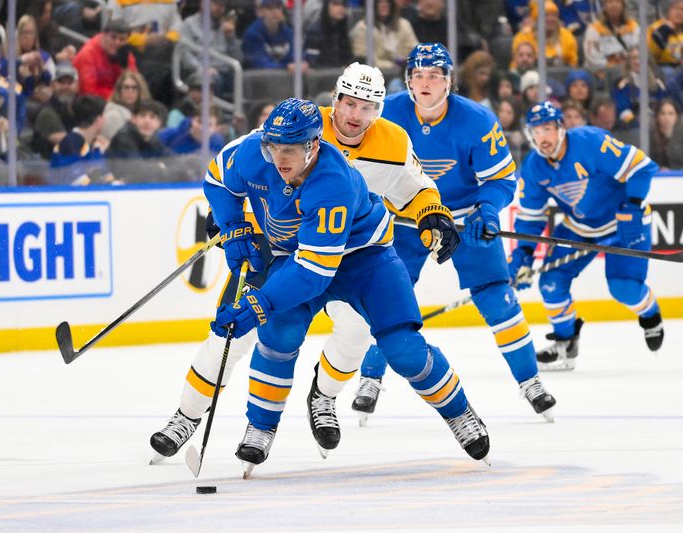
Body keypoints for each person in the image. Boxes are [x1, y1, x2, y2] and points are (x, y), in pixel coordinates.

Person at [148, 62, 465, 459]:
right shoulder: (291, 129)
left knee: (353, 334)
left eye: (367, 107)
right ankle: (185, 417)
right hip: (281, 253)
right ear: (334, 100)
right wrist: (232, 221)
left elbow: (416, 190)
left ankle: (323, 397)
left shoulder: (392, 145)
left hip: (352, 256)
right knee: (231, 333)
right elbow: (228, 177)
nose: (355, 116)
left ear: (380, 110)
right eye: (349, 103)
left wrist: (432, 211)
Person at [204, 98, 490, 476]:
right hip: (300, 256)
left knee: (404, 349)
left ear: (313, 146)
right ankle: (260, 425)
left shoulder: (332, 182)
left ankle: (460, 414)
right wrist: (232, 225)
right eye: (274, 147)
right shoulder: (254, 153)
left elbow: (315, 272)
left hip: (363, 258)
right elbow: (217, 179)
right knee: (278, 337)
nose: (279, 158)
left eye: (289, 149)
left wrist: (258, 304)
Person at [351, 43, 556, 423]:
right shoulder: (385, 114)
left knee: (497, 297)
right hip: (405, 218)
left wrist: (488, 209)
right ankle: (370, 377)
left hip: (462, 219)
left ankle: (530, 381)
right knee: (386, 299)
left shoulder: (477, 120)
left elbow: (499, 178)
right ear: (408, 81)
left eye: (434, 76)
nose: (425, 82)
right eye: (418, 75)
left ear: (449, 82)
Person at [510, 101, 664, 372]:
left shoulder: (591, 142)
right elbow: (531, 217)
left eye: (547, 129)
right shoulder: (534, 167)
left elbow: (642, 167)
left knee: (624, 288)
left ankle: (650, 315)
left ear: (561, 128)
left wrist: (632, 206)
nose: (542, 137)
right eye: (536, 131)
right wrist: (522, 255)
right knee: (550, 282)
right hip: (580, 227)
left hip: (623, 222)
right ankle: (566, 342)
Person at [49, 94, 114, 185]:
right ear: (99, 120)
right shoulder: (71, 142)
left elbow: (103, 177)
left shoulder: (93, 145)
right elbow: (75, 181)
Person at [72, 18, 137, 101]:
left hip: (118, 99)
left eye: (122, 39)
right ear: (103, 35)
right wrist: (120, 97)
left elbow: (135, 84)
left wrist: (125, 68)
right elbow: (89, 91)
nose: (117, 42)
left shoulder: (125, 53)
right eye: (113, 37)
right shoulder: (87, 54)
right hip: (90, 102)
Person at [350, 0, 418, 70]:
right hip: (375, 72)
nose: (384, 5)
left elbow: (414, 49)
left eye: (387, 2)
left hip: (404, 70)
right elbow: (363, 57)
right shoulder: (363, 28)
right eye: (380, 2)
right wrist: (390, 66)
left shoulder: (404, 25)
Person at [30, 62, 79, 159]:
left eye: (69, 82)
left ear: (77, 85)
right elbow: (68, 146)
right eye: (61, 82)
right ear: (52, 84)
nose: (66, 87)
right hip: (48, 167)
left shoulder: (81, 108)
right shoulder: (46, 113)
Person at [582, 0, 640, 75]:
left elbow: (638, 50)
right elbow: (592, 58)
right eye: (609, 2)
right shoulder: (594, 29)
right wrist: (612, 69)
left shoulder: (633, 26)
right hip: (603, 73)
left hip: (629, 71)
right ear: (604, 6)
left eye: (617, 2)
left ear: (623, 5)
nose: (614, 5)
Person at [101, 70, 151, 140]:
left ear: (141, 90)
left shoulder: (146, 112)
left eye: (134, 88)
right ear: (119, 90)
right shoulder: (113, 115)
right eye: (126, 87)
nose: (130, 91)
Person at [304, 0, 352, 68]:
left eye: (344, 5)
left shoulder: (342, 30)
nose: (341, 8)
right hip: (322, 75)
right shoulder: (315, 31)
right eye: (336, 4)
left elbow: (347, 58)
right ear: (326, 7)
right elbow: (311, 62)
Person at [649, 98, 683, 170]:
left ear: (676, 117)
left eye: (671, 114)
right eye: (663, 113)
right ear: (657, 117)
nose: (667, 118)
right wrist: (659, 169)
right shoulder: (649, 138)